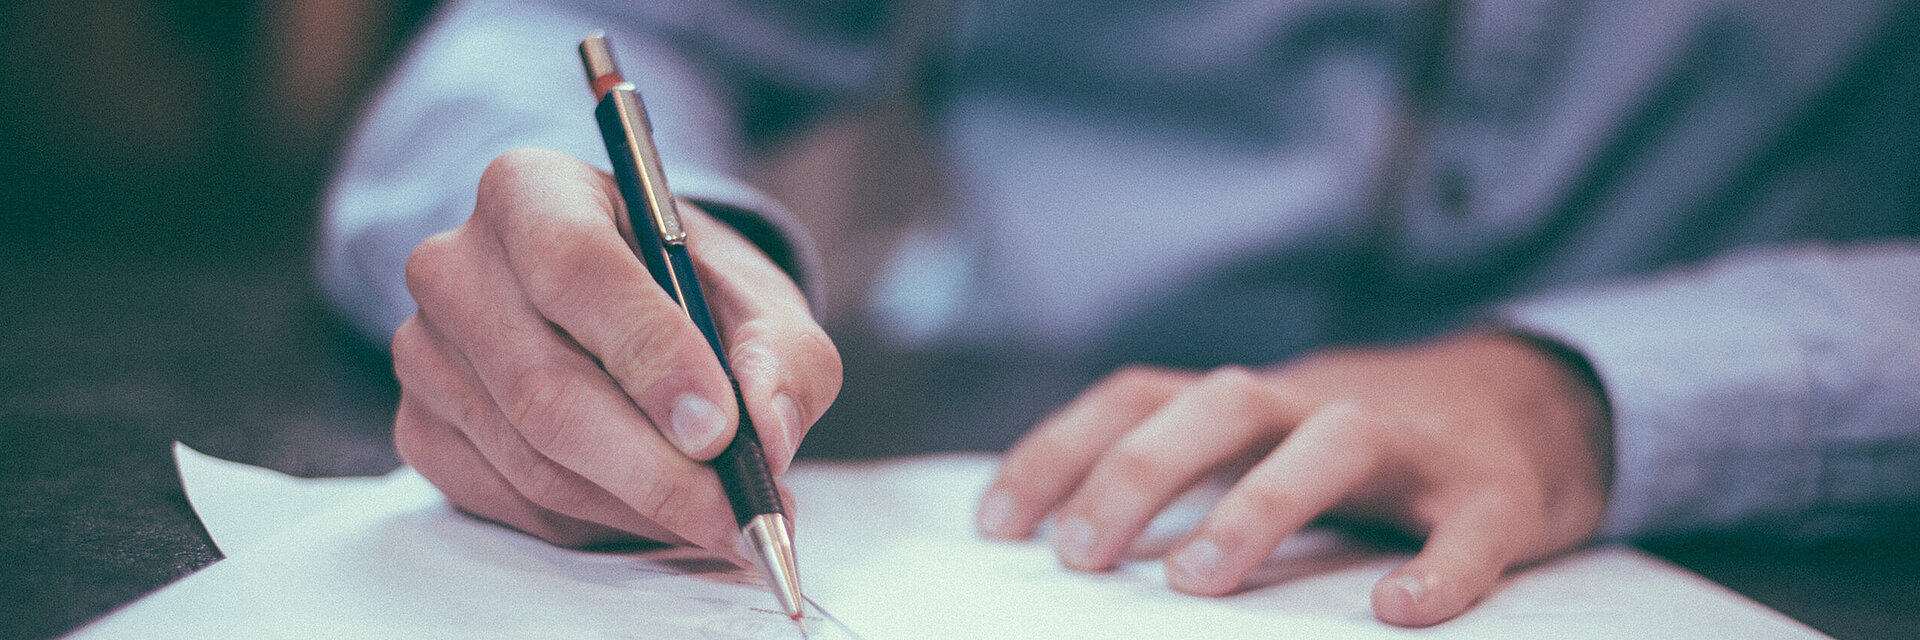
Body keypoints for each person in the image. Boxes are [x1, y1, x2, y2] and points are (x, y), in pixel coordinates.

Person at [319, 0, 1920, 627]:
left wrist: (1586, 390)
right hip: (989, 460)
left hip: (1748, 521)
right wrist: (633, 262)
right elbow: (575, 32)